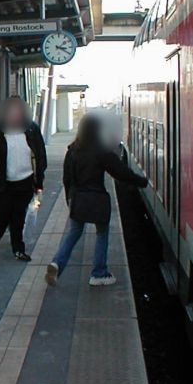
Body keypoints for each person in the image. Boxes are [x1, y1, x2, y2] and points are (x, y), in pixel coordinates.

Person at [45, 114, 148, 287]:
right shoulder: (101, 151)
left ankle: (57, 263)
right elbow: (121, 172)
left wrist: (69, 200)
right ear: (96, 131)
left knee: (73, 234)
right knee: (102, 234)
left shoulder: (72, 151)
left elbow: (66, 179)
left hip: (78, 199)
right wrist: (142, 181)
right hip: (97, 201)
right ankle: (98, 273)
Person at [0, 96, 47, 261]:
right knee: (2, 215)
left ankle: (18, 248)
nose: (15, 115)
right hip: (3, 184)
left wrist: (39, 182)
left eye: (18, 112)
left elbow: (40, 156)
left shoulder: (31, 131)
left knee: (18, 216)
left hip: (25, 182)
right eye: (12, 112)